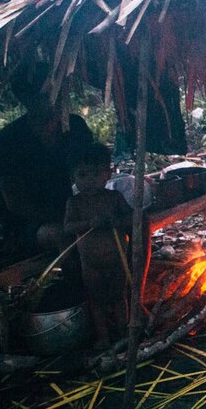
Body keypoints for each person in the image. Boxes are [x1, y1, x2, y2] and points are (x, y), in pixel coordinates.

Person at [0, 66, 95, 258]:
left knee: (134, 220)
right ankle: (79, 287)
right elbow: (16, 204)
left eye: (58, 92)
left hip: (74, 210)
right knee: (67, 235)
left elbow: (92, 169)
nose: (56, 99)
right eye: (46, 94)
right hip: (27, 225)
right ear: (27, 100)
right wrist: (67, 217)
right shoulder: (8, 142)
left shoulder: (75, 127)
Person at [64, 143, 133, 349]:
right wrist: (88, 223)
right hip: (91, 264)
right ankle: (102, 336)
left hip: (117, 260)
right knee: (96, 300)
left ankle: (123, 331)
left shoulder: (114, 198)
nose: (90, 180)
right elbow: (68, 227)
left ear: (107, 174)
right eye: (82, 175)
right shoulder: (74, 203)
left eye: (95, 173)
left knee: (119, 295)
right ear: (73, 178)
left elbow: (131, 218)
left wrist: (116, 221)